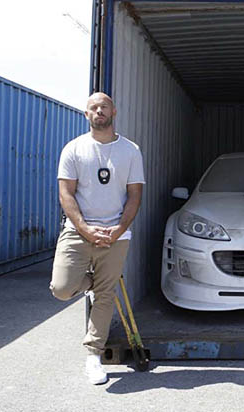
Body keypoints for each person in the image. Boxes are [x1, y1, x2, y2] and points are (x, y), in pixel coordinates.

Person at [49, 92, 145, 385]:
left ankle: (93, 356)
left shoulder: (130, 150)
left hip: (116, 234)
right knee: (62, 288)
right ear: (86, 114)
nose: (99, 111)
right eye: (93, 107)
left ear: (113, 111)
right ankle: (96, 282)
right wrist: (85, 229)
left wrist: (118, 229)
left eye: (104, 106)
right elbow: (66, 194)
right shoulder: (74, 149)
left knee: (105, 295)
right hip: (78, 231)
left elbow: (134, 195)